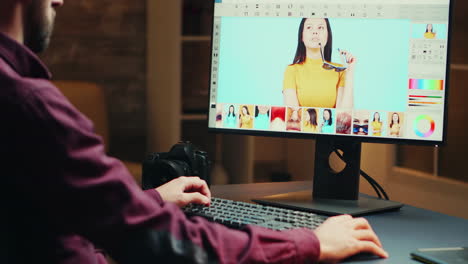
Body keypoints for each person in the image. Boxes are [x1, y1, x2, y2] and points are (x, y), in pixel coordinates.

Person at [0, 0, 389, 263]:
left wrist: (146, 201)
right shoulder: (28, 104)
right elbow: (164, 243)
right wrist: (313, 243)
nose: (61, 0)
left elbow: (51, 210)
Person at [283, 18, 356, 109]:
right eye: (309, 27)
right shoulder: (292, 70)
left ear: (328, 36)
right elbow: (293, 113)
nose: (315, 32)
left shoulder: (339, 70)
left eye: (320, 28)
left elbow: (344, 114)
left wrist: (350, 72)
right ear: (301, 36)